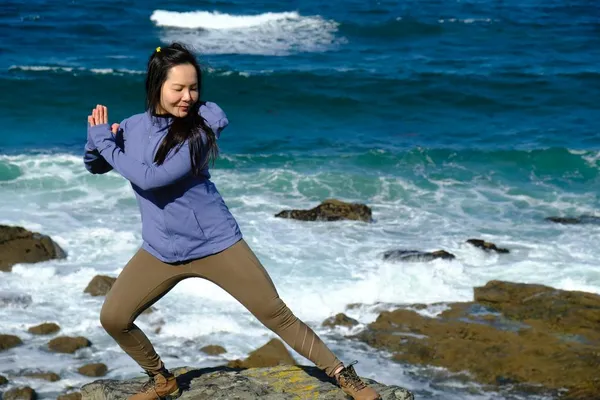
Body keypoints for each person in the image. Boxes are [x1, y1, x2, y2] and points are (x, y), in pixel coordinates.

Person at [84, 42, 380, 400]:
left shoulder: (199, 130)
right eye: (178, 88)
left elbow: (151, 178)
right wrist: (96, 142)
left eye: (193, 88)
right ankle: (161, 378)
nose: (188, 97)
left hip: (216, 243)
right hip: (161, 249)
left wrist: (107, 144)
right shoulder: (132, 127)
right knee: (113, 318)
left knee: (275, 313)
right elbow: (99, 164)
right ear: (156, 86)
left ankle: (343, 375)